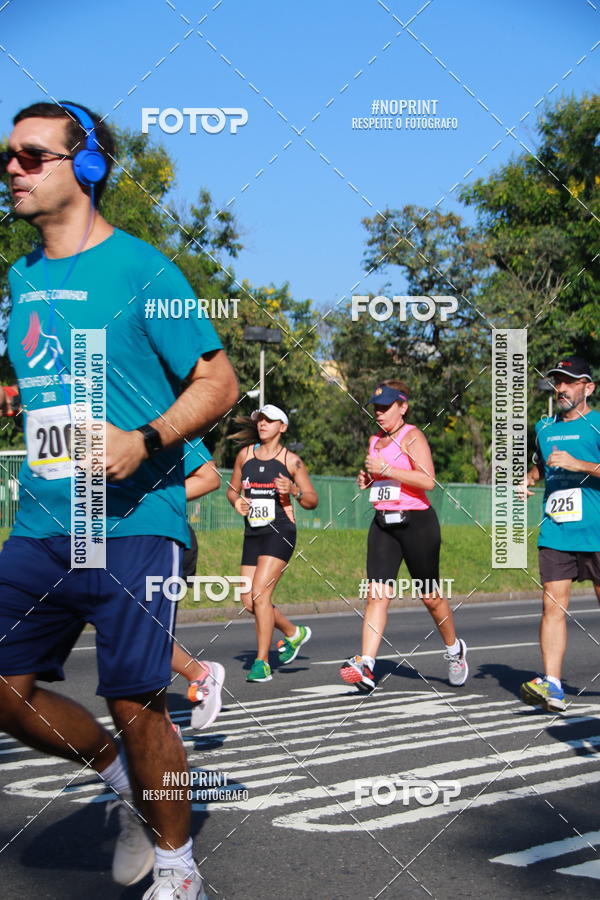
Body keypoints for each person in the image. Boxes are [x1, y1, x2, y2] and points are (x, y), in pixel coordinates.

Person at [0, 101, 238, 899]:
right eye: (8, 157)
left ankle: (179, 870)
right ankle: (114, 780)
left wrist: (147, 438)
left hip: (137, 519)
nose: (13, 170)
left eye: (32, 156)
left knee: (138, 701)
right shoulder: (23, 276)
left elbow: (219, 382)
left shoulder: (144, 270)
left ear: (87, 165)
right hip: (42, 521)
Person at [340, 380, 468, 692]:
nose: (379, 413)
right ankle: (367, 665)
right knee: (376, 594)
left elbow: (427, 480)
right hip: (383, 523)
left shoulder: (413, 436)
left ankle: (455, 651)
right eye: (376, 408)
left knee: (430, 596)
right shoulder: (375, 440)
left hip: (416, 523)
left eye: (385, 408)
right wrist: (368, 478)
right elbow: (381, 477)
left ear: (403, 407)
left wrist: (385, 468)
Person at [521, 356, 600, 713]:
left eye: (569, 381)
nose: (562, 388)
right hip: (557, 530)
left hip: (597, 531)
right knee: (552, 606)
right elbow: (541, 461)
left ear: (589, 387)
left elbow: (570, 462)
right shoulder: (544, 427)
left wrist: (579, 465)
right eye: (558, 381)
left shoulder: (598, 423)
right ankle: (552, 684)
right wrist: (530, 479)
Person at [226, 404, 318, 682]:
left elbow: (312, 500)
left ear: (283, 426)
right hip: (253, 532)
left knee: (260, 596)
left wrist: (295, 490)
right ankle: (293, 632)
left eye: (270, 420)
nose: (263, 423)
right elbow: (232, 489)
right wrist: (238, 501)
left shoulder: (292, 461)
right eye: (260, 420)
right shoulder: (245, 455)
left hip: (280, 531)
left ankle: (262, 662)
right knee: (248, 600)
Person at [172, 439, 224, 730]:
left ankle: (199, 673)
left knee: (143, 635)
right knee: (122, 639)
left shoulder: (158, 414)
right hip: (98, 540)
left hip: (164, 538)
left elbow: (209, 477)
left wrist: (149, 501)